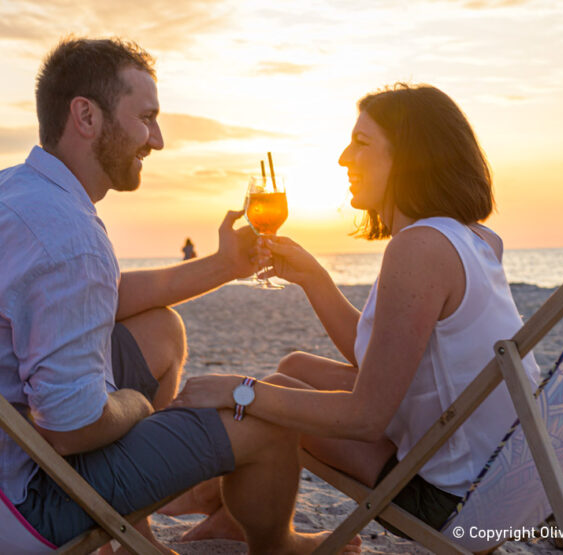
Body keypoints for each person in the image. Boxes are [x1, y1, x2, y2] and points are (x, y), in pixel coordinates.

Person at [0, 37, 359, 555]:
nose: (157, 140)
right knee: (268, 419)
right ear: (86, 117)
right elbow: (70, 431)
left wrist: (227, 265)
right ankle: (278, 546)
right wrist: (137, 407)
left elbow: (105, 300)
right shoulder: (71, 240)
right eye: (146, 118)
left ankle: (135, 530)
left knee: (161, 329)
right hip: (26, 499)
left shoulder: (17, 190)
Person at [170, 83, 541, 542]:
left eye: (361, 143)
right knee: (296, 367)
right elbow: (386, 359)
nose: (345, 158)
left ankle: (228, 512)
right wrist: (315, 279)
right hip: (511, 477)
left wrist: (239, 391)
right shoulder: (477, 239)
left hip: (459, 502)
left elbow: (366, 417)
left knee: (273, 398)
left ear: (410, 158)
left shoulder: (418, 249)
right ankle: (226, 512)